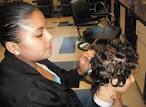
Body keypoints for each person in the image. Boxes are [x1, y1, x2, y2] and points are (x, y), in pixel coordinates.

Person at [0, 1, 134, 107]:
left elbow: (61, 79)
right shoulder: (32, 100)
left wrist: (80, 71)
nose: (50, 36)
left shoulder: (29, 57)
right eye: (39, 34)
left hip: (66, 98)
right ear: (13, 46)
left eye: (46, 29)